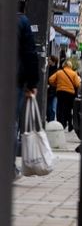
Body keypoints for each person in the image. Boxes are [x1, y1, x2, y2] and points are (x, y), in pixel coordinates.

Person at [15, 9, 39, 180]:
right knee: (10, 123)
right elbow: (30, 53)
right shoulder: (21, 21)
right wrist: (32, 83)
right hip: (13, 81)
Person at [49, 58, 81, 132]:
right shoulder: (74, 73)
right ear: (70, 66)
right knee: (68, 109)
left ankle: (61, 123)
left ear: (64, 65)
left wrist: (57, 85)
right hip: (70, 94)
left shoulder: (59, 72)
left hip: (60, 92)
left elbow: (50, 80)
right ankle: (70, 125)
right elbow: (77, 84)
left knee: (60, 108)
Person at [45, 55, 59, 122]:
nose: (48, 61)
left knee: (53, 108)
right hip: (49, 91)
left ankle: (52, 121)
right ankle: (49, 120)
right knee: (48, 107)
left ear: (54, 61)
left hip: (54, 91)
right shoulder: (47, 69)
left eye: (50, 59)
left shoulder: (57, 71)